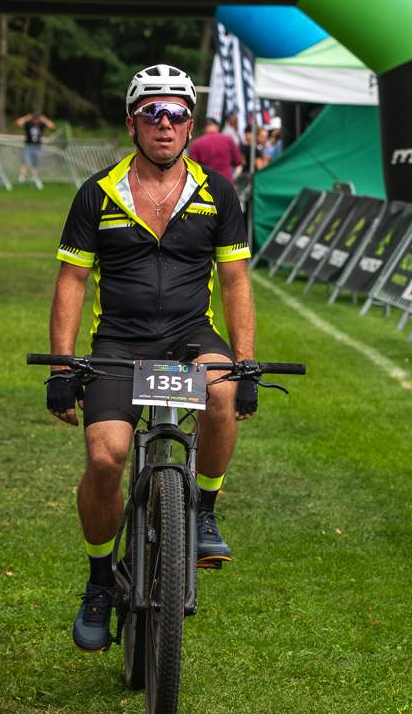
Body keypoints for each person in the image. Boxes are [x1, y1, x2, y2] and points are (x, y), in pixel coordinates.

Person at [45, 64, 256, 653]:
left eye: (177, 113)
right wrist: (62, 369)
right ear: (132, 123)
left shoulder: (217, 193)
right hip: (119, 342)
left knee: (220, 390)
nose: (165, 124)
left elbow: (235, 281)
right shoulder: (98, 193)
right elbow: (71, 282)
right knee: (106, 458)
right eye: (152, 113)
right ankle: (98, 580)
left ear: (190, 124)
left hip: (191, 335)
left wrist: (245, 366)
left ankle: (204, 509)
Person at [188, 116, 244, 181]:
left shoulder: (196, 144)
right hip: (226, 181)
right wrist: (233, 178)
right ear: (217, 126)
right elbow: (239, 163)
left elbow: (192, 168)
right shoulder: (228, 140)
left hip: (206, 183)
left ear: (204, 128)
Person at [15, 111, 55, 185]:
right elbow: (18, 123)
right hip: (28, 146)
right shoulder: (28, 124)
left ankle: (34, 177)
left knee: (35, 163)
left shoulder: (40, 125)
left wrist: (44, 119)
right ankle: (21, 177)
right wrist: (27, 117)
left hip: (37, 147)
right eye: (34, 118)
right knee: (24, 162)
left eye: (37, 118)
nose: (35, 120)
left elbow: (52, 126)